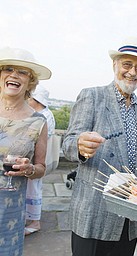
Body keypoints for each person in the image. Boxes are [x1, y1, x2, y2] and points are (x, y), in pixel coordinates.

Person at [62, 37, 137, 256]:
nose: (133, 72)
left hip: (129, 213)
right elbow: (68, 143)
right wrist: (80, 145)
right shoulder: (92, 96)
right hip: (94, 211)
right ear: (114, 65)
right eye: (127, 64)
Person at [0, 47, 51, 255]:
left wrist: (29, 169)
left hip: (10, 207)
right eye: (8, 69)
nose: (14, 75)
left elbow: (41, 168)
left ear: (30, 81)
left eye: (22, 72)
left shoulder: (38, 121)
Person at [25, 85, 56, 235]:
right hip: (30, 157)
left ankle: (35, 221)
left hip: (36, 158)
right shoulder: (41, 113)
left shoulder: (44, 116)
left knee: (34, 189)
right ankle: (29, 217)